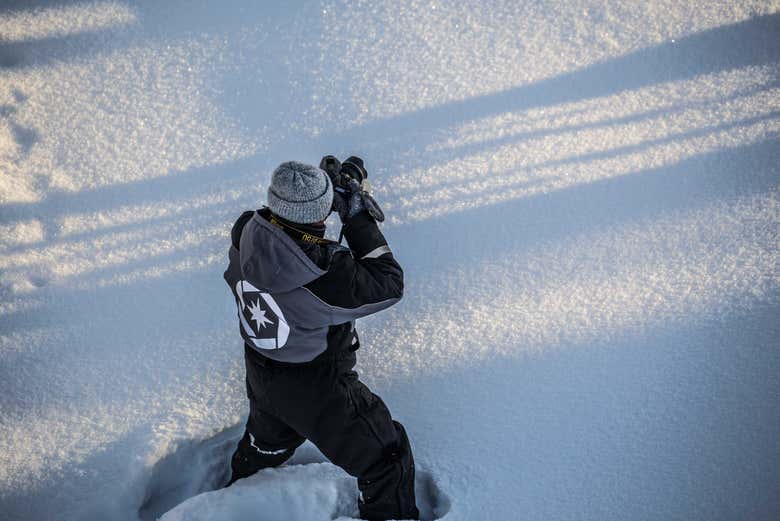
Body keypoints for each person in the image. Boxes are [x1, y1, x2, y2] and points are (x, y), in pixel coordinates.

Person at [223, 158, 419, 521]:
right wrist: (357, 216)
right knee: (386, 459)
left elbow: (288, 227)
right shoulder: (325, 274)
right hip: (317, 385)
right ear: (320, 211)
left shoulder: (246, 228)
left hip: (263, 370)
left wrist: (319, 199)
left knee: (267, 445)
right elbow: (389, 284)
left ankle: (231, 496)